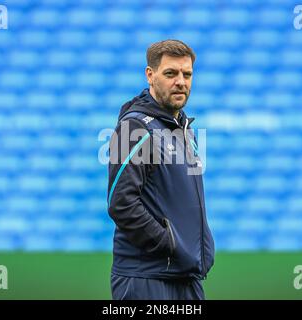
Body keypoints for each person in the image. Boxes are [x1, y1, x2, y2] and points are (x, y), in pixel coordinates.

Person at [107, 39, 215, 300]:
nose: (181, 81)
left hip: (185, 275)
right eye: (171, 73)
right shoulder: (135, 128)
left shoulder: (185, 130)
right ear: (150, 75)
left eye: (187, 74)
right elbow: (121, 204)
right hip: (146, 278)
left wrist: (202, 247)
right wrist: (170, 244)